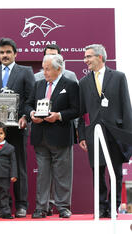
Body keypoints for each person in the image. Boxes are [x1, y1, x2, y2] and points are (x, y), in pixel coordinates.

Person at [0, 37, 35, 217]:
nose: (5, 55)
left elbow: (30, 98)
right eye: (2, 52)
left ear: (15, 53)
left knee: (19, 166)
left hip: (17, 128)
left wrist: (26, 116)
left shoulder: (26, 71)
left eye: (8, 52)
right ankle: (0, 207)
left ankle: (21, 205)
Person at [78, 44, 132, 218]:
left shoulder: (118, 77)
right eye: (85, 57)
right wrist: (81, 135)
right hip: (94, 134)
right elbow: (81, 112)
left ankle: (113, 207)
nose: (85, 60)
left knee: (115, 173)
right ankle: (100, 206)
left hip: (115, 135)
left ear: (100, 57)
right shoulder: (84, 82)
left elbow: (126, 108)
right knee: (98, 172)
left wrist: (128, 137)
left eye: (88, 57)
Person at [25, 54, 80, 219]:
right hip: (40, 136)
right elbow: (27, 104)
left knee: (63, 173)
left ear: (59, 68)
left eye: (48, 68)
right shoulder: (38, 84)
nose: (45, 72)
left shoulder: (70, 85)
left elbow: (76, 110)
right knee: (43, 173)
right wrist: (31, 113)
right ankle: (42, 207)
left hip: (61, 135)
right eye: (43, 68)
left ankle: (63, 207)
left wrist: (59, 115)